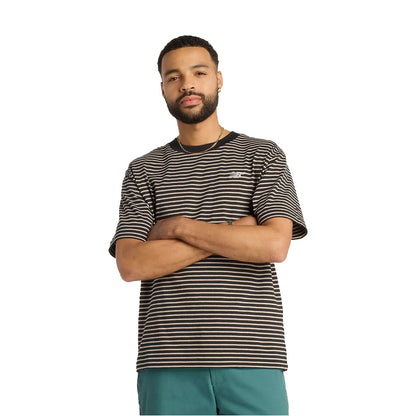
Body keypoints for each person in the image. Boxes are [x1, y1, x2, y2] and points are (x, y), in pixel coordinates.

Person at [109, 35, 307, 415]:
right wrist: (238, 230)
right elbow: (131, 264)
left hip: (253, 354)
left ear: (218, 79)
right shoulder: (144, 170)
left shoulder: (262, 155)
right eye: (174, 77)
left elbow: (274, 246)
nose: (187, 84)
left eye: (199, 73)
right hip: (167, 360)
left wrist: (178, 226)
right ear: (163, 88)